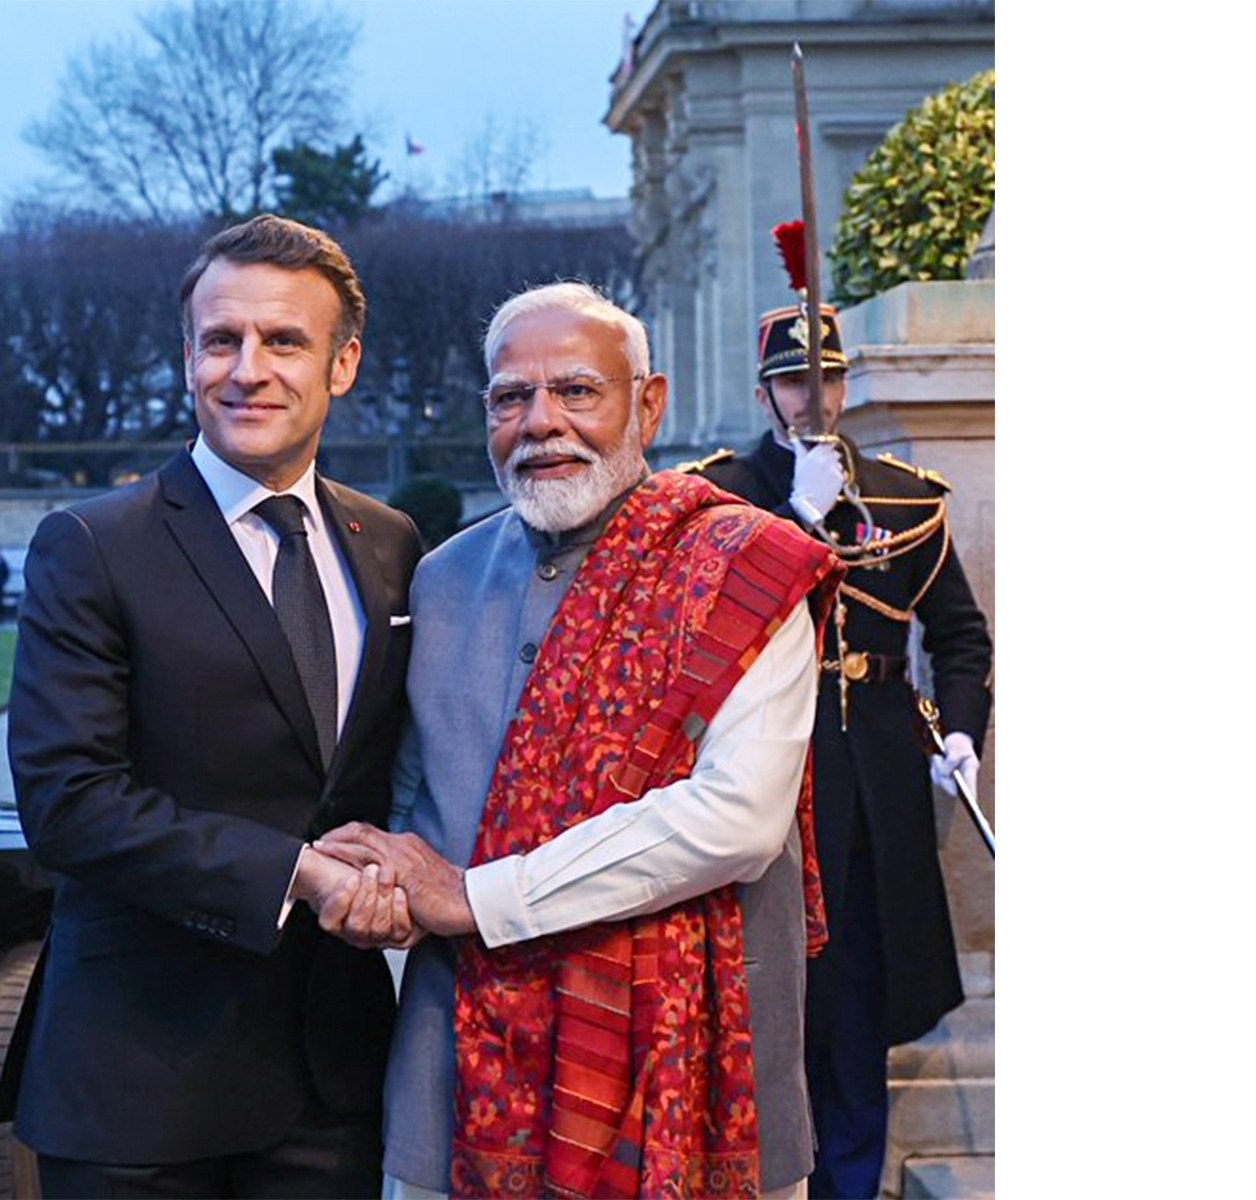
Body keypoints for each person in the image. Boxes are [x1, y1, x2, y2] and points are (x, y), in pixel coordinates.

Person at [318, 282, 843, 1199]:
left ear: (649, 403)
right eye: (510, 397)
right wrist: (368, 885)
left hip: (698, 1090)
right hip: (460, 1094)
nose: (541, 423)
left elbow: (738, 820)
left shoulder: (741, 571)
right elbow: (410, 809)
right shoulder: (439, 582)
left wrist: (475, 897)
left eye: (576, 391)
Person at [0, 214, 424, 1199]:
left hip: (336, 1081)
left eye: (283, 341)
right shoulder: (93, 544)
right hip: (139, 1087)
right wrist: (302, 874)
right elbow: (68, 803)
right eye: (220, 340)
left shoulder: (390, 543)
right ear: (187, 357)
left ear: (342, 363)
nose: (248, 369)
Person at [678, 239, 994, 1198]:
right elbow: (707, 626)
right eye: (792, 383)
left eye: (827, 380)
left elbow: (961, 636)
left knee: (858, 1001)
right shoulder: (720, 498)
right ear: (766, 391)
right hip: (763, 776)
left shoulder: (906, 499)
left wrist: (968, 731)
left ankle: (850, 1183)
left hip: (874, 777)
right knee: (769, 998)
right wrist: (800, 527)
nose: (812, 401)